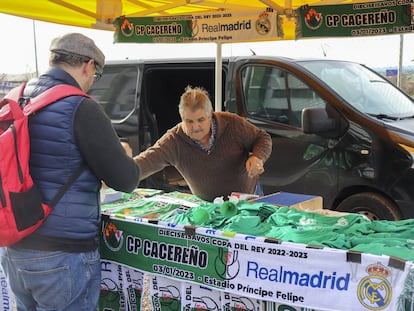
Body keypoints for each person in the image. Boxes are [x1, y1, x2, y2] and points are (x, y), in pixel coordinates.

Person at [0, 33, 140, 310]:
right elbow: (126, 179)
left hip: (15, 248)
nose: (91, 82)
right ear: (88, 66)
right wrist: (124, 155)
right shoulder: (80, 106)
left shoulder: (15, 98)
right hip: (62, 255)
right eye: (95, 75)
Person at [134, 85, 272, 202]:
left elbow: (262, 137)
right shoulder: (173, 141)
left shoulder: (233, 123)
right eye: (189, 121)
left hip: (248, 199)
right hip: (207, 208)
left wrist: (257, 157)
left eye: (201, 120)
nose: (195, 127)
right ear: (182, 118)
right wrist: (117, 175)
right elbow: (146, 161)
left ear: (210, 114)